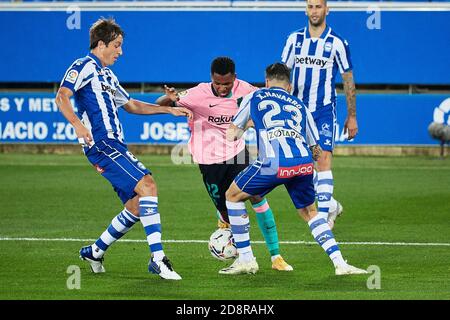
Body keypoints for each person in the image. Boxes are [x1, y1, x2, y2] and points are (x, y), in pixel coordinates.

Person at [55, 18, 192, 280]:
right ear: (101, 43)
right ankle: (158, 258)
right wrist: (77, 125)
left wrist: (167, 109)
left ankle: (95, 251)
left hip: (115, 145)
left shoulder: (107, 75)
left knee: (138, 205)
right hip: (101, 145)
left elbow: (130, 105)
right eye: (117, 45)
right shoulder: (83, 66)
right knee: (148, 185)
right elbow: (62, 96)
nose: (120, 51)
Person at [220, 62, 367, 276]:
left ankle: (246, 260)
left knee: (232, 195)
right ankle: (340, 264)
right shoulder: (300, 106)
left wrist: (250, 126)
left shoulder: (256, 96)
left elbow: (231, 135)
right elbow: (316, 151)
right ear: (289, 86)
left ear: (267, 82)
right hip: (303, 163)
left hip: (272, 163)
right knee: (310, 213)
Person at [156, 57, 293, 271]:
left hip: (238, 154)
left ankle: (276, 256)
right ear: (211, 78)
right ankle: (242, 255)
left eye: (226, 84)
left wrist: (251, 122)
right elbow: (160, 105)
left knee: (257, 196)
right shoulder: (197, 93)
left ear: (234, 79)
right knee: (228, 213)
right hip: (209, 162)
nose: (221, 88)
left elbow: (267, 101)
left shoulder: (246, 89)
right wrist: (168, 98)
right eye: (218, 83)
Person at [281, 0, 358, 229]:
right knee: (299, 166)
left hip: (324, 110)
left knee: (322, 160)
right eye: (311, 6)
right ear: (306, 9)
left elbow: (347, 79)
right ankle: (331, 204)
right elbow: (282, 75)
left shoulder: (337, 42)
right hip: (297, 112)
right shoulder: (294, 40)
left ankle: (322, 216)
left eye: (318, 6)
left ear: (327, 10)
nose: (314, 11)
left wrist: (352, 115)